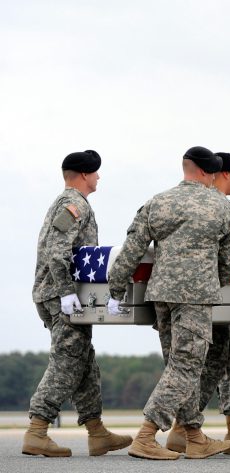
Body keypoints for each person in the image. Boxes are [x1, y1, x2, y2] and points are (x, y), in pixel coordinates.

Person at [107, 146, 230, 460]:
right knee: (185, 367)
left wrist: (115, 289)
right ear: (209, 172)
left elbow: (132, 248)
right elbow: (229, 258)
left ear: (186, 169)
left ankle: (194, 436)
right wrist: (216, 282)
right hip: (196, 296)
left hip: (162, 295)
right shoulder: (223, 207)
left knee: (178, 367)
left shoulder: (158, 202)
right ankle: (146, 436)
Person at [23, 150, 132, 458]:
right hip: (61, 297)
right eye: (95, 172)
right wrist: (67, 291)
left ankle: (97, 433)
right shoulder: (74, 204)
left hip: (56, 294)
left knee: (83, 362)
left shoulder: (70, 202)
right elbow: (57, 249)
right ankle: (37, 430)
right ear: (84, 175)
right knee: (67, 361)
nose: (98, 177)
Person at [163, 152, 230, 456]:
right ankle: (183, 428)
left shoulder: (194, 203)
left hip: (206, 295)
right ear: (220, 175)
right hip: (205, 296)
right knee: (210, 363)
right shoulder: (218, 207)